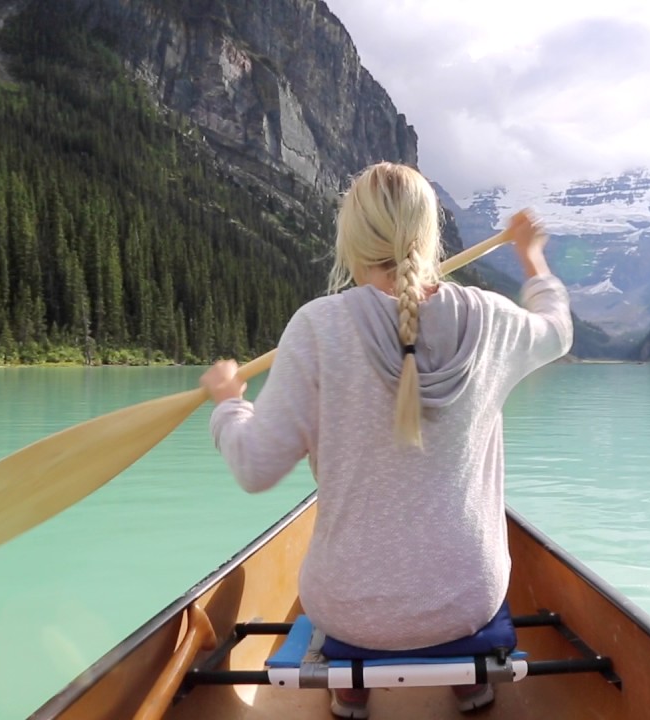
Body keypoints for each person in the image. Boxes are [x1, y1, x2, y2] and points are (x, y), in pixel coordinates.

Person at [199, 161, 572, 718]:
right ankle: (469, 682)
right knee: (465, 582)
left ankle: (350, 688)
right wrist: (531, 257)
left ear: (351, 240)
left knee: (344, 595)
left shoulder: (318, 326)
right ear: (430, 235)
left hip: (350, 612)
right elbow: (559, 331)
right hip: (467, 603)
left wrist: (229, 402)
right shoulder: (494, 319)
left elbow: (255, 466)